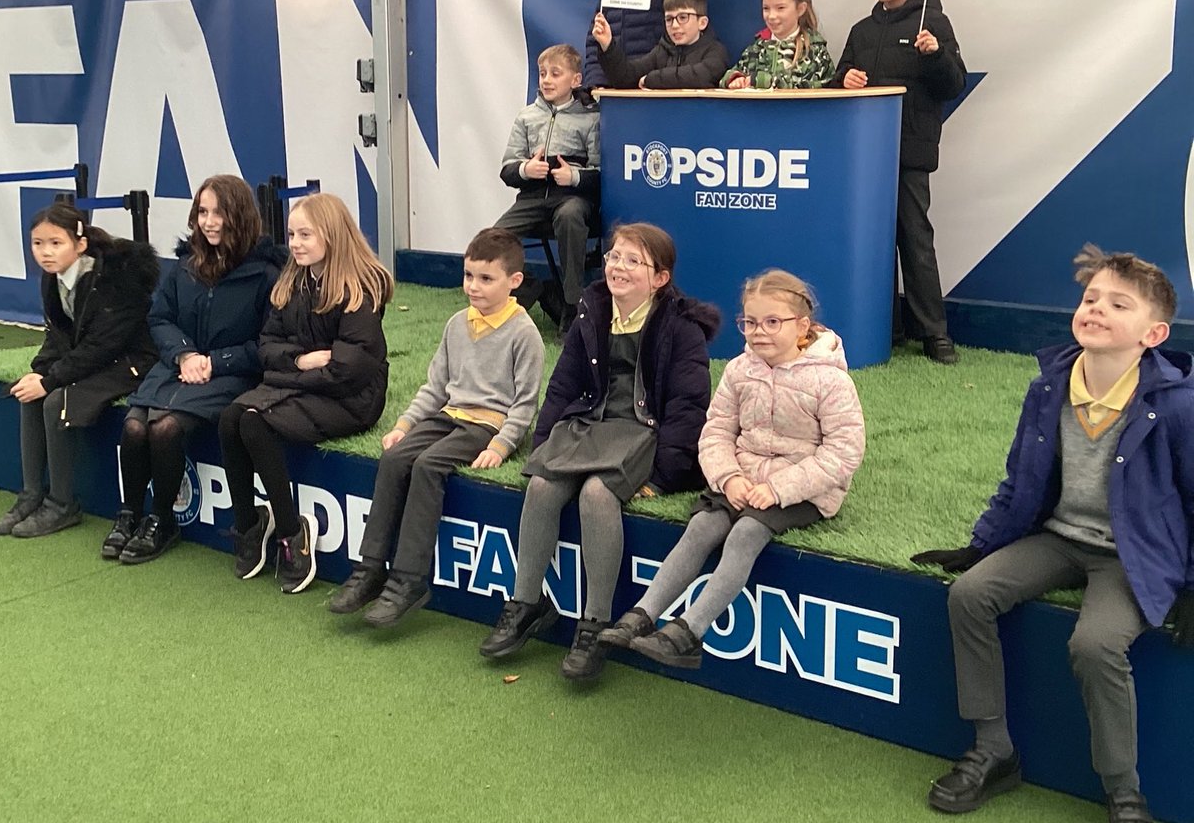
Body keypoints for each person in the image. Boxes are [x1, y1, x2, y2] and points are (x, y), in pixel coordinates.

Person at [911, 246, 1194, 823]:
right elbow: (1020, 479)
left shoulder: (1177, 404)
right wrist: (982, 544)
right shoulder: (1048, 386)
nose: (1096, 309)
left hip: (1131, 557)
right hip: (1059, 538)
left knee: (1095, 644)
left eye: (1118, 304)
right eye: (1090, 298)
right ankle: (994, 749)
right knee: (970, 594)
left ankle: (1124, 792)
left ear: (1153, 335)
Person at [479, 222, 720, 681]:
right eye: (614, 256)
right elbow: (564, 383)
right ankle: (525, 603)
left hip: (643, 432)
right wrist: (543, 444)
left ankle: (595, 624)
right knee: (542, 485)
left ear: (660, 278)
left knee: (596, 493)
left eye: (633, 261)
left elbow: (688, 409)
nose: (618, 267)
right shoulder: (592, 310)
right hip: (590, 424)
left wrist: (663, 476)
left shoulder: (682, 327)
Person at [600, 270, 865, 665]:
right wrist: (729, 478)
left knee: (745, 533)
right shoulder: (740, 370)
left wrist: (778, 489)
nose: (759, 332)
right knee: (701, 527)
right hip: (742, 479)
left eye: (772, 322)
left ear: (802, 326)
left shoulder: (830, 381)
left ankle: (688, 633)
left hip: (804, 489)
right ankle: (641, 616)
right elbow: (716, 432)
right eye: (750, 322)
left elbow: (843, 453)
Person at [327, 228, 544, 625]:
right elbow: (435, 386)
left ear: (514, 281)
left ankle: (408, 580)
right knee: (395, 458)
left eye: (486, 278)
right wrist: (406, 424)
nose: (473, 286)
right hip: (449, 414)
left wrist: (501, 445)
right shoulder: (457, 324)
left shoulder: (524, 333)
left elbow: (525, 403)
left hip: (486, 424)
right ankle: (369, 568)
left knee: (428, 466)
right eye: (468, 276)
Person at [102, 176, 285, 564]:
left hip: (231, 375)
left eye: (219, 212)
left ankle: (162, 521)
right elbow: (160, 318)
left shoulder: (266, 275)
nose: (209, 221)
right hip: (176, 367)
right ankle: (128, 515)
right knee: (133, 428)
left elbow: (269, 344)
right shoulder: (185, 267)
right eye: (203, 211)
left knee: (165, 429)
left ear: (240, 215)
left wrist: (215, 362)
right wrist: (184, 355)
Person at [218, 192, 393, 594]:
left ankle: (291, 532)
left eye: (305, 235)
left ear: (331, 235)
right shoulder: (293, 280)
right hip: (306, 384)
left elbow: (348, 369)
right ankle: (249, 525)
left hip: (353, 399)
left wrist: (285, 375)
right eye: (292, 234)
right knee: (230, 419)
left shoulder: (360, 287)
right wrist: (299, 362)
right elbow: (267, 346)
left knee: (254, 423)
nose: (294, 243)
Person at [0, 205, 157, 539]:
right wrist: (39, 372)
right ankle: (31, 495)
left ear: (79, 244)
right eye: (38, 244)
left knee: (56, 400)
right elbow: (58, 335)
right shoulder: (51, 278)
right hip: (95, 358)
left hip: (131, 362)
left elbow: (102, 346)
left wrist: (51, 381)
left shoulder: (114, 279)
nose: (46, 252)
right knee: (29, 393)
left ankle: (62, 505)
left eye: (56, 243)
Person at [830, 0, 966, 364]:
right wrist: (845, 80)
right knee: (873, 242)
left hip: (910, 151)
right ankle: (884, 328)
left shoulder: (933, 23)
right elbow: (838, 81)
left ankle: (934, 334)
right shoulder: (861, 30)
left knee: (915, 240)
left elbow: (953, 84)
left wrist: (935, 54)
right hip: (865, 158)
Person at [493, 43, 600, 335]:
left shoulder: (591, 117)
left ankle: (572, 305)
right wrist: (526, 170)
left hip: (572, 200)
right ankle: (533, 287)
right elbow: (507, 168)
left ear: (575, 80)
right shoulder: (526, 117)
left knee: (570, 216)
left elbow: (602, 172)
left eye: (555, 73)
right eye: (542, 74)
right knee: (492, 240)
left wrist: (574, 177)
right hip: (532, 200)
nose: (547, 80)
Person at [583, 0, 702, 88]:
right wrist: (595, 79)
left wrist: (656, 79)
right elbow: (597, 32)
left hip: (652, 83)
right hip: (609, 83)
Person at [591, 0, 728, 90]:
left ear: (702, 23)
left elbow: (700, 77)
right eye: (669, 19)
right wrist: (607, 45)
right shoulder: (662, 51)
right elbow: (625, 77)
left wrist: (651, 79)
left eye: (683, 17)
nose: (674, 25)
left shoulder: (715, 51)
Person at [720, 0, 834, 90]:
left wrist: (765, 81)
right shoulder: (757, 48)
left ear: (800, 9)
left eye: (780, 8)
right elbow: (731, 74)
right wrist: (735, 79)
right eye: (766, 8)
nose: (772, 16)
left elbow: (824, 85)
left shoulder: (814, 50)